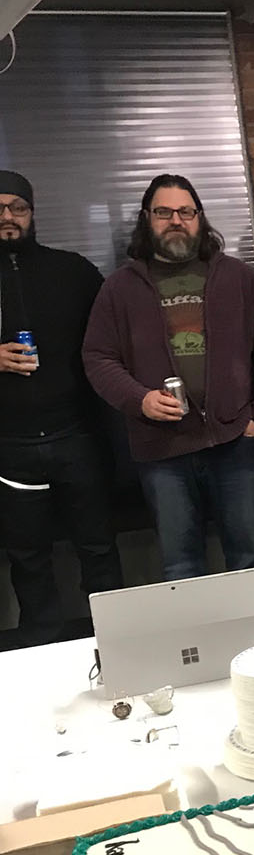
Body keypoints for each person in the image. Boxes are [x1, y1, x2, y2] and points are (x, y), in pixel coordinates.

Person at [83, 174, 254, 581]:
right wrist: (138, 399)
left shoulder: (237, 278)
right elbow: (98, 356)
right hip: (163, 450)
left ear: (199, 218)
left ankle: (252, 643)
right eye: (164, 212)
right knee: (180, 564)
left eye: (186, 212)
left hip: (234, 442)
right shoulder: (119, 289)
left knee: (248, 556)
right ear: (146, 218)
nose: (176, 220)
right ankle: (195, 647)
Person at [0, 169, 123, 644]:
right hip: (10, 447)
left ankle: (116, 647)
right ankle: (39, 656)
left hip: (77, 437)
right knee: (27, 560)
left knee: (98, 549)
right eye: (0, 208)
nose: (9, 217)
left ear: (32, 213)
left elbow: (114, 341)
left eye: (18, 207)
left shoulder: (72, 271)